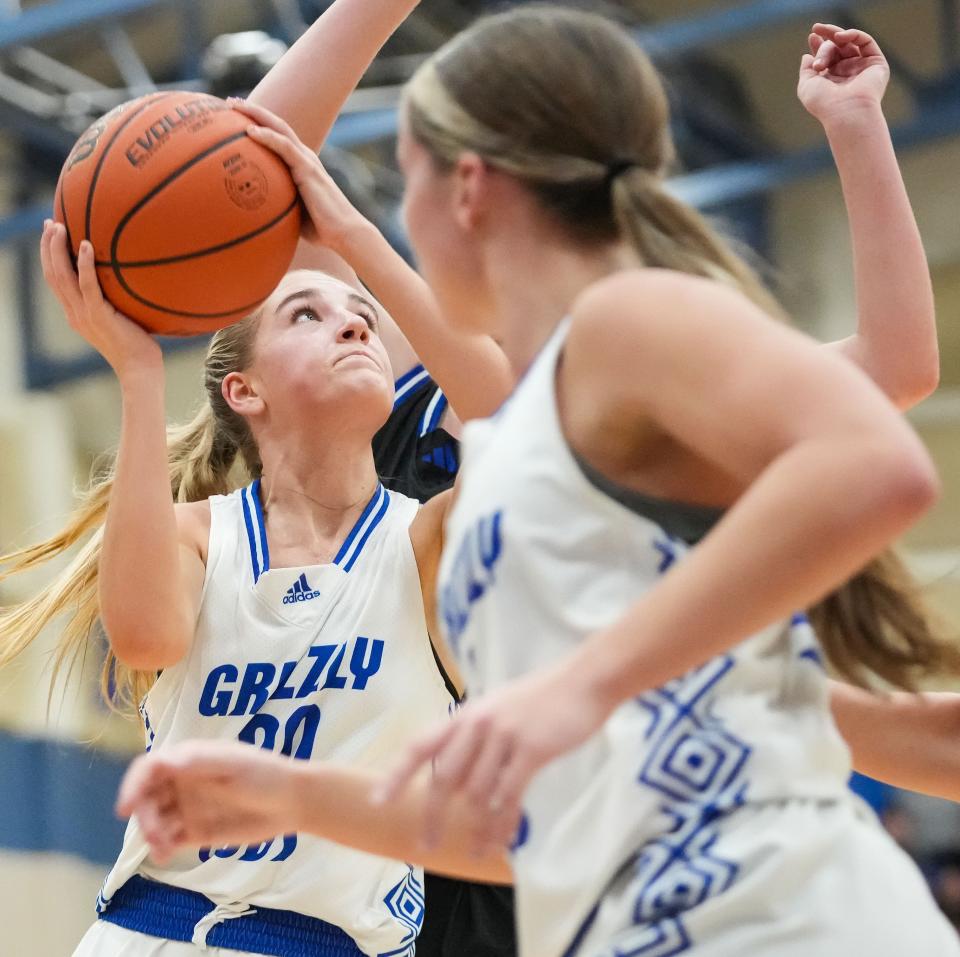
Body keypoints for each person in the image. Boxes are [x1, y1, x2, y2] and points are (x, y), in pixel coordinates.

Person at [117, 10, 960, 957]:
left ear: (468, 189)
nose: (358, 293)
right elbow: (240, 174)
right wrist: (286, 793)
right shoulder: (488, 423)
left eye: (404, 179)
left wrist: (578, 690)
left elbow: (878, 434)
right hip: (509, 860)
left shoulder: (622, 343)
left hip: (768, 906)